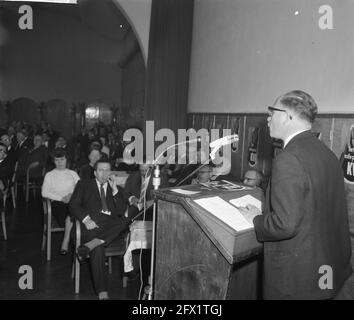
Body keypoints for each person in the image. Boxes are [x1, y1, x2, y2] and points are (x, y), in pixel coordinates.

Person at [238, 90, 352, 299]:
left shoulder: (288, 158)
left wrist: (256, 219)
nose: (268, 118)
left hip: (298, 279)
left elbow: (285, 224)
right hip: (326, 270)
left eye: (272, 113)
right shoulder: (326, 153)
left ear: (286, 116)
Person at [69, 159, 130, 300]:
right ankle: (102, 291)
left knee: (126, 220)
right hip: (89, 227)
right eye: (101, 170)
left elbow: (121, 212)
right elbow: (73, 205)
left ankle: (92, 244)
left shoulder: (116, 188)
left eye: (107, 170)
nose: (104, 173)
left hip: (108, 227)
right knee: (98, 247)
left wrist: (115, 191)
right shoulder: (84, 185)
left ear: (111, 172)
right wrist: (86, 219)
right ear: (95, 172)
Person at [41, 148, 80, 255]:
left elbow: (80, 188)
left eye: (62, 159)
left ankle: (66, 240)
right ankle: (68, 241)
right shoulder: (49, 175)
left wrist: (71, 195)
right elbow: (44, 192)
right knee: (72, 214)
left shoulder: (72, 173)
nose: (60, 163)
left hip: (72, 202)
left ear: (66, 160)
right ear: (53, 161)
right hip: (57, 204)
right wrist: (62, 198)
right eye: (57, 160)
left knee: (74, 210)